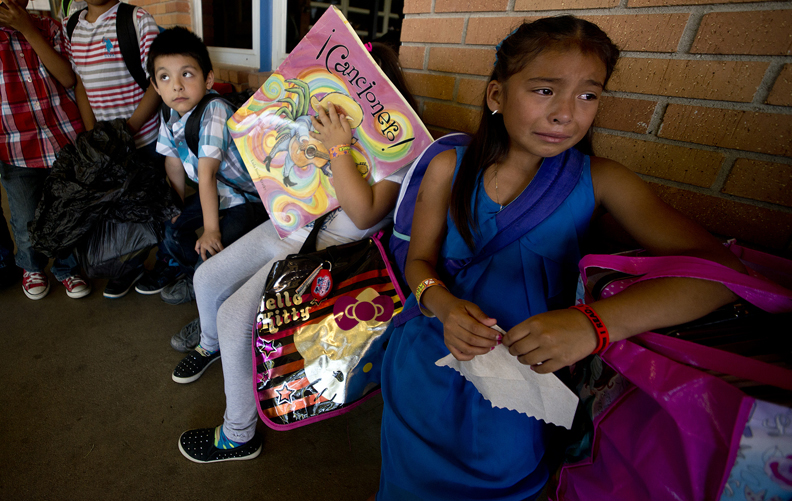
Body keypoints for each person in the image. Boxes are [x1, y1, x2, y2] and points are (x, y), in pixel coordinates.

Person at [376, 16, 746, 500]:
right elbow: (419, 263)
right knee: (407, 479)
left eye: (588, 95)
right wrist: (443, 306)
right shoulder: (450, 167)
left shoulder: (603, 181)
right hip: (427, 359)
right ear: (496, 96)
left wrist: (593, 325)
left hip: (526, 381)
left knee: (507, 480)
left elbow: (721, 275)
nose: (566, 114)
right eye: (545, 90)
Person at [172, 42, 418, 463]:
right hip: (292, 226)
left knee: (235, 316)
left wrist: (340, 146)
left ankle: (239, 434)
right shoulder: (319, 118)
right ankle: (211, 345)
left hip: (331, 254)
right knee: (206, 277)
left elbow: (362, 214)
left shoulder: (400, 148)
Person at [144, 27, 267, 305]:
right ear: (155, 85)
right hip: (216, 194)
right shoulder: (169, 111)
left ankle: (211, 289)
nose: (176, 85)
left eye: (187, 74)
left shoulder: (215, 110)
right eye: (165, 77)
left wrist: (211, 229)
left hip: (247, 199)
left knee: (213, 252)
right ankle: (196, 279)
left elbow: (206, 173)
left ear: (208, 78)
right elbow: (173, 162)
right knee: (173, 228)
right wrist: (175, 206)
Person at [64, 0, 168, 299]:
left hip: (145, 139)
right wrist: (93, 136)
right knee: (122, 209)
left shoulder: (136, 20)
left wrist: (128, 129)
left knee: (156, 206)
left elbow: (157, 80)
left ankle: (167, 264)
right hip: (107, 145)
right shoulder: (73, 26)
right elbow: (81, 84)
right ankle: (131, 266)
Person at [0, 0, 90, 300]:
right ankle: (31, 266)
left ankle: (67, 267)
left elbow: (67, 77)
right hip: (15, 148)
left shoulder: (49, 28)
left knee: (66, 211)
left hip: (62, 138)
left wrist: (26, 29)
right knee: (25, 216)